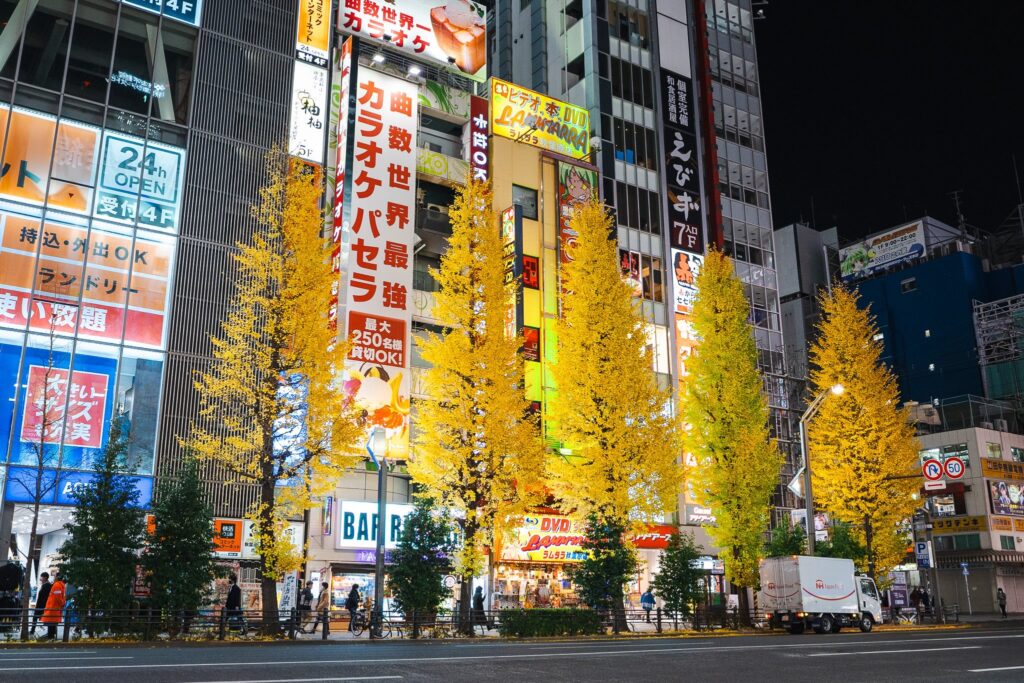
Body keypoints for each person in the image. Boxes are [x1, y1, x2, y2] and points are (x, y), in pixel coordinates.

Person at [40, 573, 65, 640]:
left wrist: (61, 603)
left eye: (54, 576)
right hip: (55, 607)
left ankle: (50, 636)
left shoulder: (57, 585)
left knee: (50, 621)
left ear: (57, 577)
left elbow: (58, 596)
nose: (53, 577)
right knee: (52, 622)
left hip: (53, 607)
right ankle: (51, 635)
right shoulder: (60, 585)